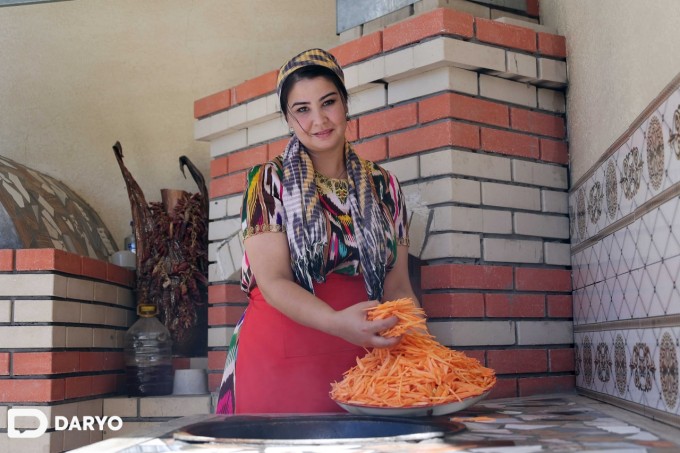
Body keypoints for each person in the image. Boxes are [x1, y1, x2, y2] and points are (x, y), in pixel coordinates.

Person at [215, 48, 419, 414]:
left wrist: (420, 349)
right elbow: (274, 281)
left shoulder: (384, 185)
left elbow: (398, 285)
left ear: (345, 104)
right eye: (302, 109)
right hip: (281, 358)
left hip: (366, 356)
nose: (319, 119)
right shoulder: (267, 182)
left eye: (328, 102)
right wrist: (335, 322)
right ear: (288, 119)